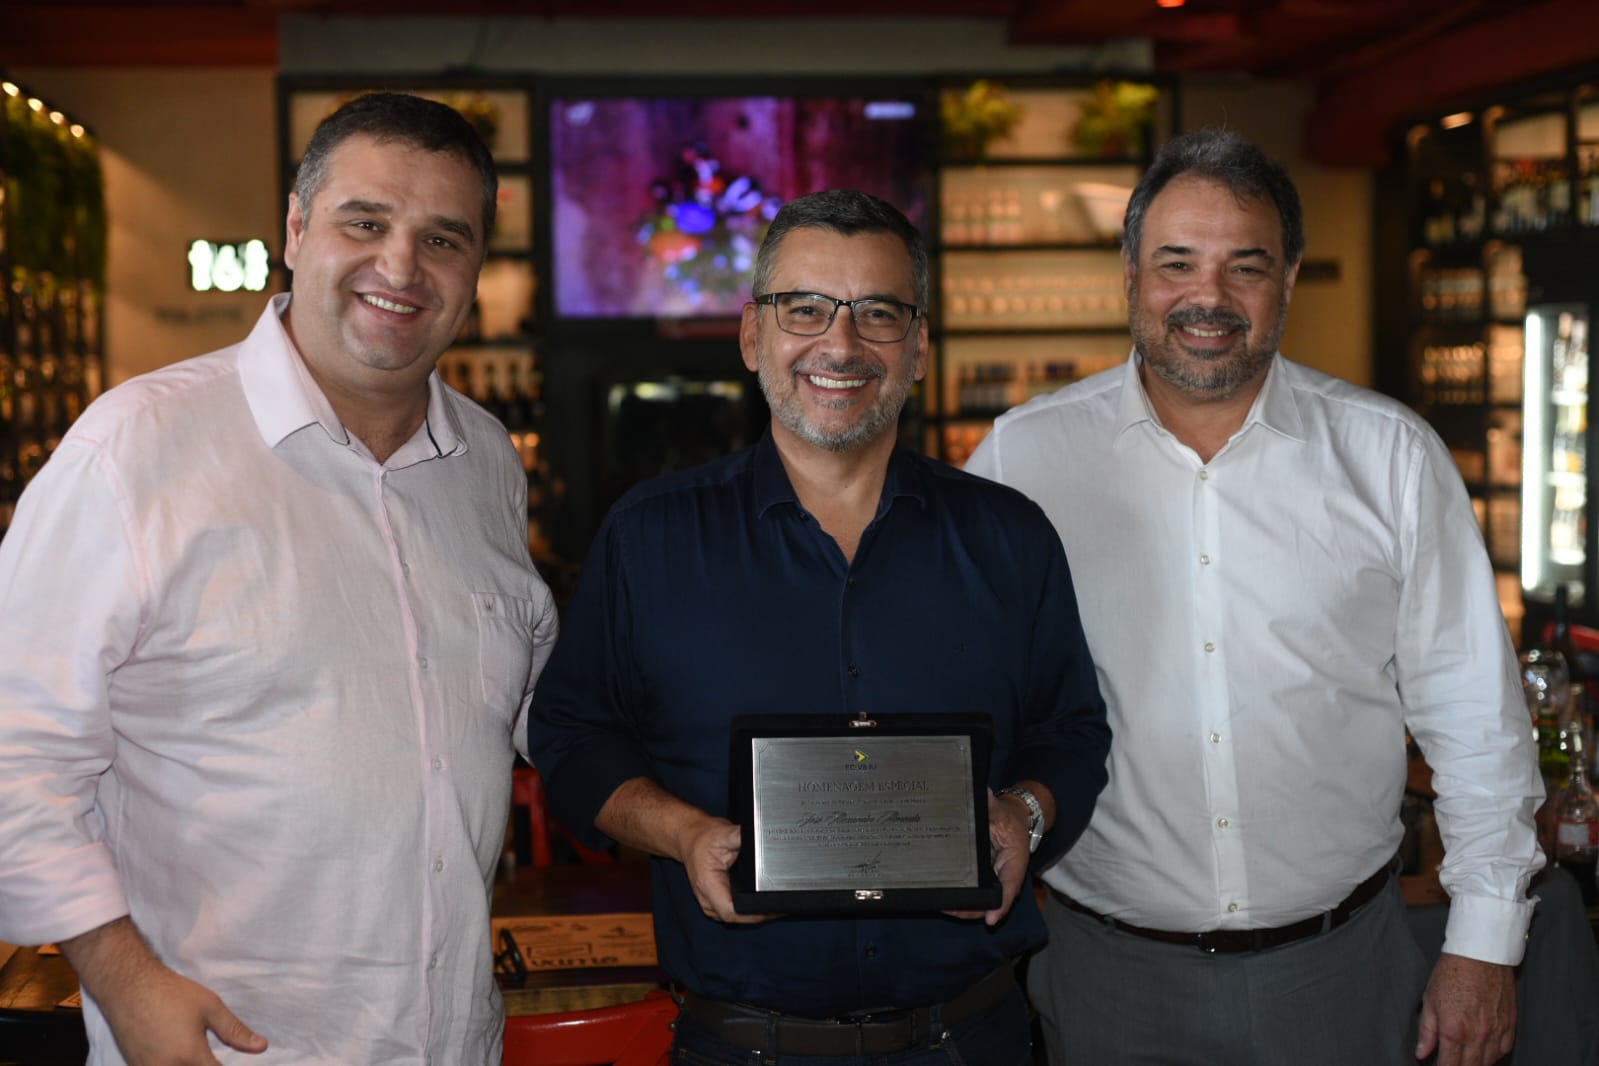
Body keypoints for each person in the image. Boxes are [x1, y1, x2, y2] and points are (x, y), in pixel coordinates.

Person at [965, 127, 1544, 1066]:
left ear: (1289, 278)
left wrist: (1483, 943)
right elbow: (966, 689)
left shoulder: (1389, 456)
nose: (1210, 297)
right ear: (1128, 274)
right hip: (1105, 973)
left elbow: (1474, 712)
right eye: (1176, 263)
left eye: (1246, 266)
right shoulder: (1020, 459)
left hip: (1341, 969)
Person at [0, 92, 557, 1064]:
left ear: (476, 267)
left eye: (442, 239)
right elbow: (17, 753)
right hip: (223, 1045)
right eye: (365, 223)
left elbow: (526, 715)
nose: (400, 268)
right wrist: (125, 982)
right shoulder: (136, 449)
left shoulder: (485, 464)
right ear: (295, 230)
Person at [527, 189, 1109, 1064]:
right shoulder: (649, 537)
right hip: (739, 1044)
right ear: (751, 334)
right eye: (804, 309)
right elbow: (572, 737)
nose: (839, 345)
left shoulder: (1009, 537)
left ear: (918, 347)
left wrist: (1024, 814)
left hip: (970, 1038)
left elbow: (1072, 732)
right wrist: (683, 834)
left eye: (877, 313)